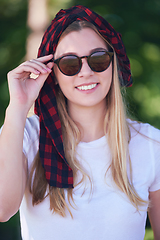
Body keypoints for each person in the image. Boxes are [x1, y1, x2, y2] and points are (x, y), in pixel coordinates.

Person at [0, 5, 160, 240]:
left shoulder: (151, 145)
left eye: (98, 58)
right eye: (70, 64)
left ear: (113, 64)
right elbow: (3, 210)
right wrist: (18, 106)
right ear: (52, 73)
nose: (84, 72)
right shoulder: (25, 136)